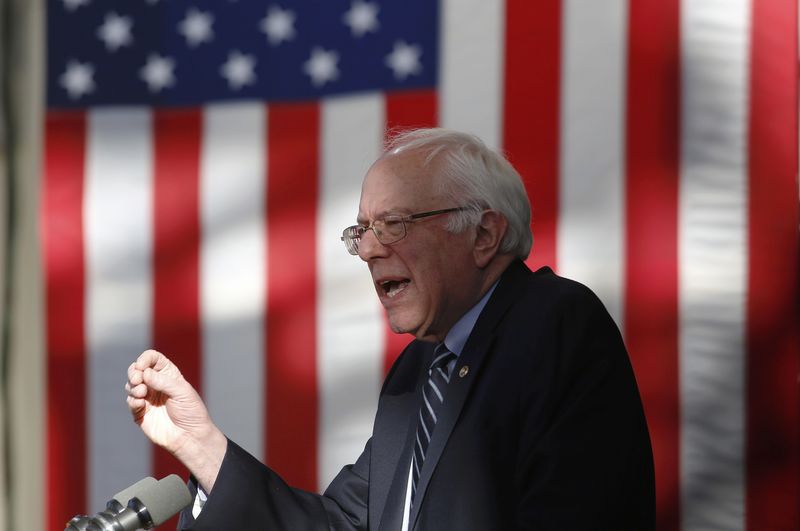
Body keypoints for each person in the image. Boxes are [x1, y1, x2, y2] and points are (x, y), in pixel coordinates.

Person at [126, 128, 655, 530]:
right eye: (362, 231)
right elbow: (340, 525)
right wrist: (203, 447)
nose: (370, 249)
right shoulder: (420, 370)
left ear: (484, 235)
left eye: (395, 224)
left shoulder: (553, 322)